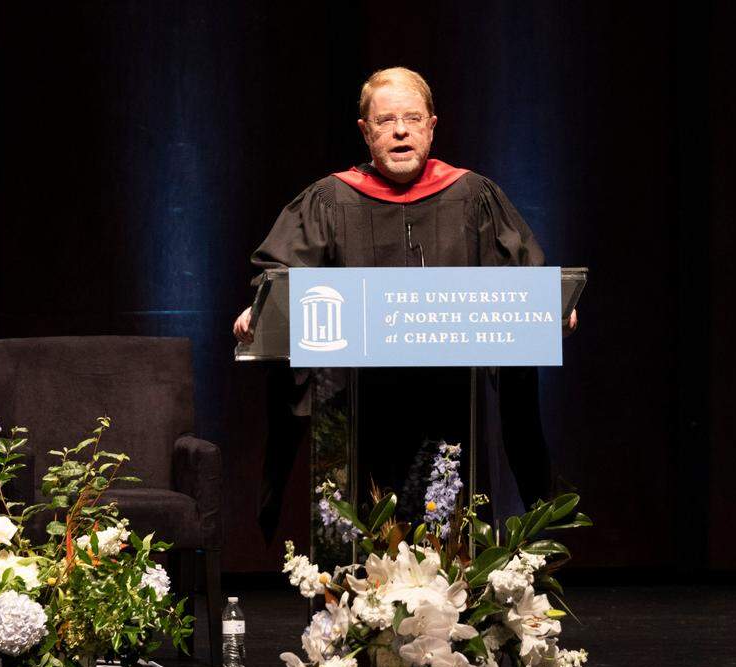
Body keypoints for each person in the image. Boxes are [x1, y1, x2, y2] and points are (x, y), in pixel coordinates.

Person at [233, 66, 576, 539]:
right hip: (358, 407)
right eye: (385, 120)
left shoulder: (473, 195)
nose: (399, 131)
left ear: (432, 126)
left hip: (453, 405)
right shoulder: (330, 200)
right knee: (365, 536)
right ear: (364, 131)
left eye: (412, 118)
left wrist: (548, 308)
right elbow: (280, 275)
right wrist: (261, 307)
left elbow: (523, 274)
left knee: (450, 522)